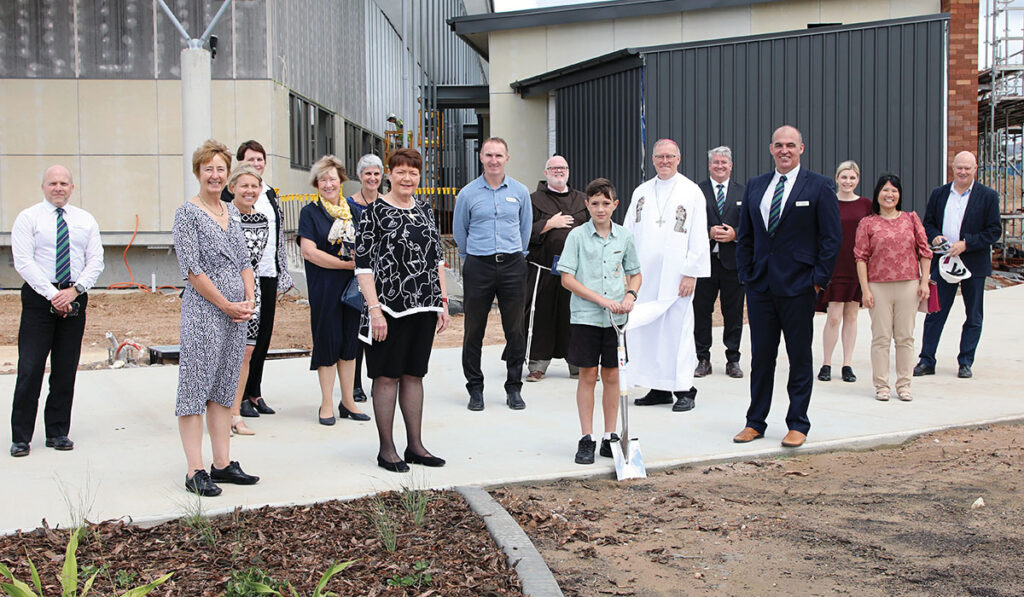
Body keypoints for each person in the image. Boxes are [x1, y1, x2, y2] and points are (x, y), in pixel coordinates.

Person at [733, 125, 842, 448]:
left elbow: (831, 239)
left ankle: (797, 422)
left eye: (790, 145)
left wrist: (818, 281)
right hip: (760, 286)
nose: (784, 150)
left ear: (801, 149)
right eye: (779, 145)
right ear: (771, 149)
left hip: (799, 286)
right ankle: (755, 422)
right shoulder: (756, 186)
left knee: (798, 357)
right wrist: (746, 274)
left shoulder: (819, 186)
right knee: (762, 358)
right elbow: (746, 236)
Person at [355, 148, 451, 473]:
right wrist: (374, 310)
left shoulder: (424, 210)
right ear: (389, 175)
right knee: (386, 376)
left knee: (414, 375)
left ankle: (416, 446)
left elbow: (437, 259)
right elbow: (363, 266)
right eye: (401, 171)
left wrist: (443, 302)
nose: (407, 177)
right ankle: (387, 449)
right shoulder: (374, 212)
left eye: (413, 172)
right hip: (387, 312)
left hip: (423, 307)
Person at [173, 139, 259, 496]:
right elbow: (192, 270)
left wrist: (250, 299)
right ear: (198, 172)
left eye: (220, 168)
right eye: (208, 168)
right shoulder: (187, 213)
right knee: (195, 389)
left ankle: (221, 463)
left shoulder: (231, 212)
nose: (215, 174)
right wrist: (225, 303)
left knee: (224, 389)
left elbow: (243, 261)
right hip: (204, 314)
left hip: (237, 316)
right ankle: (195, 469)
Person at [9, 166, 104, 458]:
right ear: (43, 187)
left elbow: (96, 261)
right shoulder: (28, 218)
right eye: (53, 183)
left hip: (74, 296)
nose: (58, 188)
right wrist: (53, 295)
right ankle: (21, 437)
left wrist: (73, 291)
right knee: (30, 368)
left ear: (72, 188)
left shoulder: (85, 220)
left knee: (65, 369)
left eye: (64, 183)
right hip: (40, 298)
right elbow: (23, 262)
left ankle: (58, 432)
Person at [557, 178, 641, 465]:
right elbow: (567, 279)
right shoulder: (577, 237)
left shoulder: (625, 237)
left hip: (616, 319)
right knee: (588, 375)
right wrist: (599, 299)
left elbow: (635, 272)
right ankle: (587, 437)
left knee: (612, 376)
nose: (601, 209)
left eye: (606, 203)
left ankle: (609, 436)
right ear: (587, 205)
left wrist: (631, 294)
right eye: (595, 204)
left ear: (615, 205)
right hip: (586, 317)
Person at [624, 138, 709, 413]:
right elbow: (628, 232)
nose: (664, 161)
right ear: (652, 160)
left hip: (676, 278)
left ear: (679, 158)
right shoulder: (641, 192)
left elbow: (698, 235)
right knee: (647, 332)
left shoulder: (691, 191)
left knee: (677, 332)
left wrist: (691, 273)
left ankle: (685, 388)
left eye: (669, 157)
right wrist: (626, 270)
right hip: (645, 277)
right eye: (659, 157)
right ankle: (658, 387)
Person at [453, 137, 532, 411]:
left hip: (512, 265)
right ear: (481, 158)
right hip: (479, 265)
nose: (494, 160)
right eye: (489, 155)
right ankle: (475, 389)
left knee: (515, 329)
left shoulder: (520, 192)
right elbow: (460, 233)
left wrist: (516, 257)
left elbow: (525, 230)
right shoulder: (468, 194)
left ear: (507, 158)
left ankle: (514, 387)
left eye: (499, 155)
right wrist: (471, 258)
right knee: (474, 329)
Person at [222, 140, 294, 420]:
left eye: (260, 159)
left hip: (268, 272)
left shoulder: (270, 195)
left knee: (261, 338)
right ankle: (236, 399)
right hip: (242, 278)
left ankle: (254, 391)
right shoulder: (230, 203)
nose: (256, 164)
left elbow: (276, 237)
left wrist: (282, 271)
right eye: (250, 160)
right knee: (242, 343)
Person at [914, 151, 1002, 379]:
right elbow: (928, 223)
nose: (963, 172)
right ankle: (926, 360)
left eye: (968, 168)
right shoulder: (939, 194)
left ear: (975, 169)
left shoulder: (988, 196)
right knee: (935, 312)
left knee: (973, 315)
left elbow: (994, 231)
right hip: (943, 262)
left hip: (973, 263)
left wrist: (967, 244)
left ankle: (965, 361)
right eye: (959, 167)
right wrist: (934, 237)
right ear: (953, 168)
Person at [297, 155, 370, 425]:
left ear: (342, 181)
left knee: (350, 343)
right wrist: (344, 264)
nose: (329, 184)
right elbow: (309, 252)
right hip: (325, 287)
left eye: (333, 178)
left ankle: (348, 401)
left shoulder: (354, 212)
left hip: (352, 288)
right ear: (316, 183)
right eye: (323, 179)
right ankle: (326, 403)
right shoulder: (310, 212)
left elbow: (366, 247)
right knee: (327, 341)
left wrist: (356, 264)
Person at [854, 174, 932, 401]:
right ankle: (881, 385)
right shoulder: (867, 223)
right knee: (881, 337)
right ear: (877, 194)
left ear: (900, 194)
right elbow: (860, 257)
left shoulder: (911, 219)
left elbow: (925, 251)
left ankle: (904, 384)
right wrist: (865, 290)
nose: (890, 195)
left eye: (894, 191)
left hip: (908, 284)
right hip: (878, 286)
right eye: (885, 190)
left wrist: (924, 281)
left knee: (905, 337)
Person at [523, 155, 589, 382]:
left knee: (576, 316)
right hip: (543, 271)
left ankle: (578, 365)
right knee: (542, 316)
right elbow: (521, 233)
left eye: (563, 168)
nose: (559, 171)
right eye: (554, 168)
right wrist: (548, 224)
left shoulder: (583, 200)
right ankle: (537, 365)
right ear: (545, 172)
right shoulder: (531, 200)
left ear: (568, 171)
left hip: (577, 272)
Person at [816, 161, 872, 383]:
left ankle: (847, 364)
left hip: (857, 265)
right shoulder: (828, 202)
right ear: (837, 178)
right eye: (844, 177)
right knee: (834, 316)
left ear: (857, 179)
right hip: (834, 265)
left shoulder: (866, 204)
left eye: (852, 177)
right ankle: (826, 362)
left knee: (852, 315)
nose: (848, 181)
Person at [694, 146, 745, 379]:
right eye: (715, 162)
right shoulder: (696, 192)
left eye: (724, 162)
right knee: (701, 311)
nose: (720, 166)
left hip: (733, 264)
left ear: (731, 165)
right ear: (709, 165)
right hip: (705, 263)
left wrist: (735, 234)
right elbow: (687, 225)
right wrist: (708, 232)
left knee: (733, 313)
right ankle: (702, 358)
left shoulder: (743, 192)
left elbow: (752, 226)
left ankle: (732, 359)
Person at [227, 163, 269, 436]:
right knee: (222, 353)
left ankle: (234, 413)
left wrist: (252, 294)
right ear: (232, 188)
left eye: (254, 186)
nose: (249, 191)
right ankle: (215, 411)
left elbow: (255, 262)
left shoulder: (262, 219)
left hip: (252, 291)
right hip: (223, 290)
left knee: (246, 352)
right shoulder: (222, 216)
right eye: (244, 185)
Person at [347, 153, 385, 403]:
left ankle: (378, 380)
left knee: (380, 331)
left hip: (385, 274)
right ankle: (355, 383)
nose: (372, 178)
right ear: (360, 176)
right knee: (357, 332)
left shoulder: (386, 204)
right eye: (367, 173)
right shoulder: (349, 205)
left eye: (376, 173)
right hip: (359, 274)